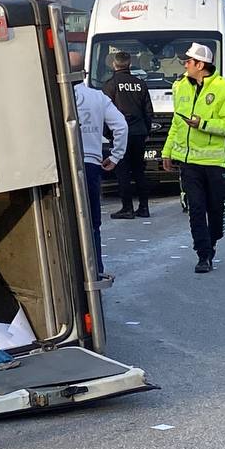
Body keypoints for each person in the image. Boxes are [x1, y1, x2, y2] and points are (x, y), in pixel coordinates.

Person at [161, 42, 225, 274]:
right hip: (189, 162)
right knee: (195, 208)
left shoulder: (224, 89)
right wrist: (167, 151)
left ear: (200, 64)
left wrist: (203, 124)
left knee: (215, 208)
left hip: (215, 163)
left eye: (188, 61)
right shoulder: (180, 87)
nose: (184, 65)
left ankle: (213, 240)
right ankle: (203, 254)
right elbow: (177, 122)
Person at [70, 50, 128, 278]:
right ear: (83, 73)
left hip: (63, 167)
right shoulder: (98, 97)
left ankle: (73, 272)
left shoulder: (51, 97)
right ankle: (95, 270)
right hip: (91, 163)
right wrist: (115, 156)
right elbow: (121, 126)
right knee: (92, 221)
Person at [102, 51, 155, 219]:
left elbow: (105, 112)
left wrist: (108, 135)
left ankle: (127, 208)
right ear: (130, 64)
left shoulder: (110, 85)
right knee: (139, 170)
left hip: (120, 133)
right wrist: (146, 131)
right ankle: (144, 208)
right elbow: (148, 111)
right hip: (139, 132)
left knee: (123, 171)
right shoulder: (140, 84)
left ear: (114, 65)